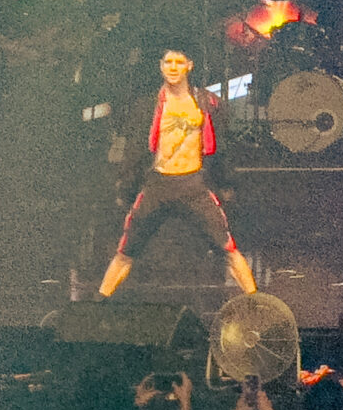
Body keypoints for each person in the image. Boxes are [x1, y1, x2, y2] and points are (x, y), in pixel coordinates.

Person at [98, 47, 257, 296]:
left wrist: (226, 182)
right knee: (126, 251)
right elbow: (134, 151)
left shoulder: (207, 103)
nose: (173, 68)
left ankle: (257, 303)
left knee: (228, 249)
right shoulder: (148, 106)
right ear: (161, 66)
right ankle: (98, 302)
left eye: (178, 62)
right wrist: (126, 186)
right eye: (168, 62)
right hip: (158, 185)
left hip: (193, 185)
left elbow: (222, 147)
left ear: (189, 66)